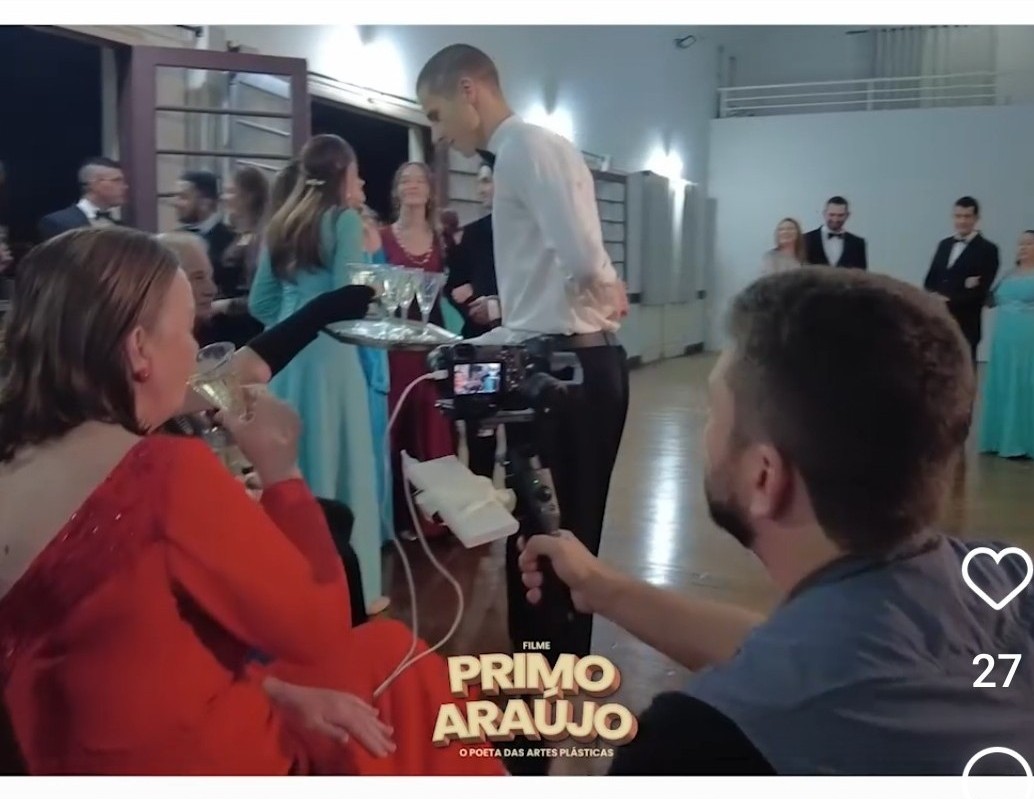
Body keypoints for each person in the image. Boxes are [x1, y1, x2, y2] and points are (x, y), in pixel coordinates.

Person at [0, 227, 506, 776]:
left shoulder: (22, 452)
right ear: (138, 348)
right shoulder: (160, 474)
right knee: (397, 660)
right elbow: (317, 629)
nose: (198, 349)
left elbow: (114, 661)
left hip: (73, 756)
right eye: (188, 329)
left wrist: (275, 690)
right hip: (194, 762)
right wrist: (283, 473)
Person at [519, 267, 1034, 775]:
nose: (706, 432)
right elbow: (806, 654)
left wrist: (571, 745)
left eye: (713, 411)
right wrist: (603, 589)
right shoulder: (1003, 578)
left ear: (764, 476)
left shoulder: (701, 745)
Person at [416, 45, 630, 774]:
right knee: (543, 542)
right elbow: (549, 286)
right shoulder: (524, 153)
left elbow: (582, 258)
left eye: (437, 114)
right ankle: (542, 711)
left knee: (551, 546)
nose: (438, 132)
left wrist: (602, 292)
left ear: (469, 89)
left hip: (567, 370)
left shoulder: (526, 149)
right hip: (556, 359)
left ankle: (535, 733)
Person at [248, 135, 388, 616]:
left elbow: (260, 302)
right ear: (342, 172)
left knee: (295, 466)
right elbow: (350, 298)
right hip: (332, 356)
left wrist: (290, 323)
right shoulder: (343, 220)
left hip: (285, 355)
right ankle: (355, 591)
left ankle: (294, 587)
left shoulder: (283, 222)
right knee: (343, 463)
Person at [379, 161, 456, 541]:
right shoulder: (381, 238)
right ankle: (398, 518)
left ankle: (436, 516)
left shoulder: (443, 240)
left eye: (419, 180)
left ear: (430, 190)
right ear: (397, 190)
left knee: (434, 426)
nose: (412, 186)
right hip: (394, 348)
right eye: (405, 180)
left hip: (431, 348)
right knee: (395, 429)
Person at [923, 196, 1000, 364]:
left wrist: (949, 301)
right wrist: (934, 297)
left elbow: (981, 291)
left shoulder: (988, 249)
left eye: (967, 216)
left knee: (963, 370)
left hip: (966, 323)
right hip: (939, 320)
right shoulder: (944, 245)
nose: (962, 221)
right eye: (958, 216)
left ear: (976, 218)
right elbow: (930, 280)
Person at [979, 229, 1034, 459]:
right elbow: (990, 300)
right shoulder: (1009, 274)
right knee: (1003, 381)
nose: (1023, 248)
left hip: (1027, 335)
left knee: (1025, 383)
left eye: (1029, 244)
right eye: (1021, 243)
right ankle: (999, 439)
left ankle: (1022, 441)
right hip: (1004, 335)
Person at [174, 170, 236, 293]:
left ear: (205, 202)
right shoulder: (173, 240)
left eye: (183, 197)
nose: (176, 203)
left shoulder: (232, 241)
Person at [38, 157, 127, 241]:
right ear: (93, 184)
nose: (125, 187)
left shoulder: (120, 225)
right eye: (117, 180)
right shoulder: (57, 222)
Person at [803, 196, 867, 270]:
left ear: (847, 215)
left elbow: (861, 274)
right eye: (832, 214)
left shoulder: (858, 243)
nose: (835, 219)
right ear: (824, 214)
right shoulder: (805, 239)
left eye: (840, 215)